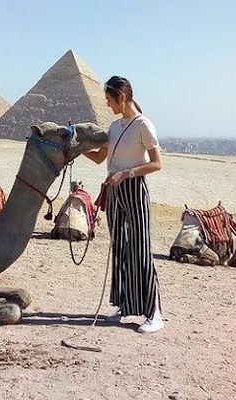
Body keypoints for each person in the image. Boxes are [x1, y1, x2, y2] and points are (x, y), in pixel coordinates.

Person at [84, 75, 164, 333]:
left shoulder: (144, 125)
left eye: (109, 99)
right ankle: (124, 306)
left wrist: (127, 173)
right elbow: (99, 158)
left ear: (121, 97)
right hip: (114, 191)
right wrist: (75, 147)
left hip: (133, 189)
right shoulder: (115, 127)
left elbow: (157, 164)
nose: (107, 104)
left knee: (140, 249)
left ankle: (154, 313)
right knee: (119, 249)